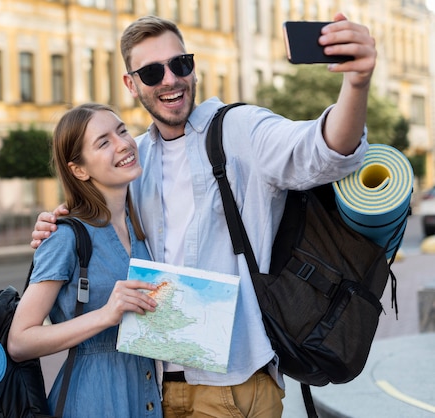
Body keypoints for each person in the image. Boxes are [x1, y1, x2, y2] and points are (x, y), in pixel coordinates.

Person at [31, 13, 376, 418]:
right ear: (131, 83)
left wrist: (356, 83)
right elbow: (97, 223)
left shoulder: (238, 129)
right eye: (151, 71)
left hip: (237, 384)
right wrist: (56, 226)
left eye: (180, 64)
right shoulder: (133, 161)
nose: (170, 79)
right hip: (162, 388)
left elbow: (321, 150)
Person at [7, 103, 163, 418]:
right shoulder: (65, 237)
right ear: (79, 169)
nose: (123, 144)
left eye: (121, 131)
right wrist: (107, 315)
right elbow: (19, 341)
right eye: (103, 142)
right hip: (93, 400)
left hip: (146, 395)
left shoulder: (141, 227)